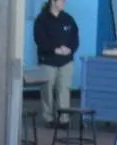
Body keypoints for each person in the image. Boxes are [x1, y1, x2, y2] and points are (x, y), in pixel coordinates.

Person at [33, 0, 79, 128]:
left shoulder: (68, 19)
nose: (64, 2)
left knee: (64, 89)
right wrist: (54, 49)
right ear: (53, 2)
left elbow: (75, 38)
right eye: (62, 0)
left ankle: (64, 119)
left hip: (66, 61)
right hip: (48, 61)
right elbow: (40, 40)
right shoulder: (42, 19)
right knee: (47, 89)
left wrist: (70, 49)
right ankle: (48, 118)